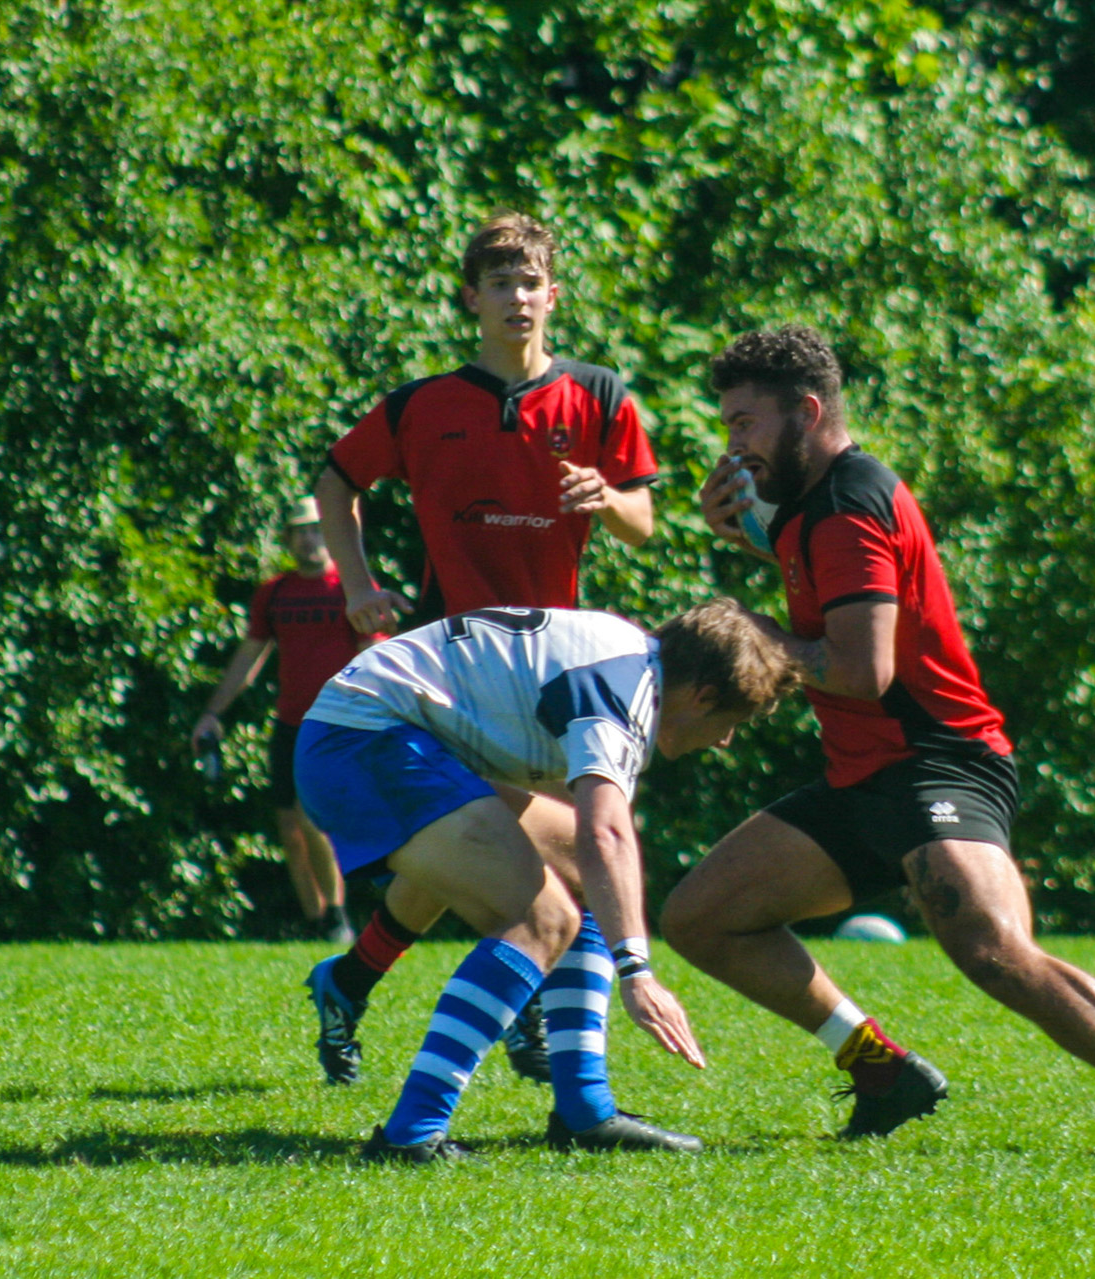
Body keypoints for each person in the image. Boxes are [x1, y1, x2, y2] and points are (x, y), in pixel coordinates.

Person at [664, 325, 1095, 1159]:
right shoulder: (808, 508)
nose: (735, 446)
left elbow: (861, 670)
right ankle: (882, 1070)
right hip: (865, 776)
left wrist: (754, 637)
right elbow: (824, 594)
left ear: (808, 411)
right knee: (699, 917)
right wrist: (746, 536)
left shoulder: (845, 509)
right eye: (729, 426)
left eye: (746, 424)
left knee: (993, 950)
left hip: (938, 761)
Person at [305, 211, 660, 1085]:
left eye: (530, 282)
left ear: (553, 295)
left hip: (556, 671)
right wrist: (355, 585)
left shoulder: (600, 396)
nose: (516, 298)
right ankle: (534, 1019)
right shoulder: (425, 405)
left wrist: (606, 500)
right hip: (450, 669)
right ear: (472, 299)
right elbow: (335, 482)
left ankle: (351, 977)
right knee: (540, 854)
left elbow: (646, 523)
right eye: (498, 284)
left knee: (484, 849)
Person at [295, 600, 801, 1161]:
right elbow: (605, 832)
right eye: (735, 722)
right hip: (364, 744)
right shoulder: (622, 692)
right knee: (542, 921)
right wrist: (638, 971)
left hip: (379, 735)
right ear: (702, 695)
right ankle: (410, 1135)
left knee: (585, 880)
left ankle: (586, 1112)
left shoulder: (629, 657)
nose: (727, 739)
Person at [191, 498, 368, 944]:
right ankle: (317, 924)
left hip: (336, 727)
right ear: (287, 540)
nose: (309, 538)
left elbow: (375, 654)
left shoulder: (351, 587)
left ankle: (338, 918)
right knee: (290, 832)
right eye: (299, 531)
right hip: (290, 724)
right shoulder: (275, 593)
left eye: (316, 528)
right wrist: (213, 714)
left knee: (313, 820)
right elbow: (250, 656)